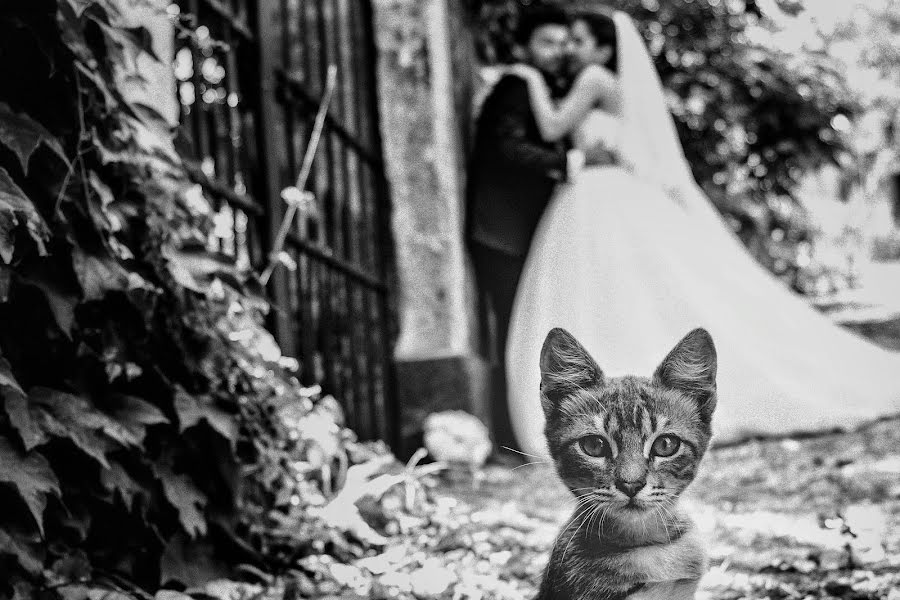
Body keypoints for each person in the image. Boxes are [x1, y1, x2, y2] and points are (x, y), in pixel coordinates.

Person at [504, 9, 900, 457]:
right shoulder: (605, 84)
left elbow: (553, 126)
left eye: (578, 40)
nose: (570, 49)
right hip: (598, 192)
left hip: (597, 194)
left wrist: (527, 78)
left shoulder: (594, 78)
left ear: (603, 49)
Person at [465, 5, 612, 448]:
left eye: (563, 43)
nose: (557, 52)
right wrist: (571, 161)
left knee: (530, 331)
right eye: (546, 43)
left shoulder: (549, 89)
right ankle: (512, 436)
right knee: (513, 331)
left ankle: (527, 429)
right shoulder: (514, 86)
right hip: (501, 231)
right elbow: (508, 149)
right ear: (524, 47)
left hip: (525, 231)